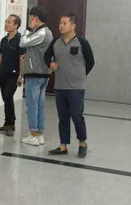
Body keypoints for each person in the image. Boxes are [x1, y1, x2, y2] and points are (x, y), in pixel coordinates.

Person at [45, 13, 95, 158]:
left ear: (73, 26)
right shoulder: (55, 42)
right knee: (63, 118)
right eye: (60, 23)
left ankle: (82, 143)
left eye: (64, 23)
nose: (61, 25)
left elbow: (91, 61)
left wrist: (81, 75)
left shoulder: (82, 42)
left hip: (76, 88)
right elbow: (46, 56)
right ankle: (63, 146)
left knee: (77, 116)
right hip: (60, 87)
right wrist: (50, 64)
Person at [19, 6, 53, 146]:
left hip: (35, 73)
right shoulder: (44, 32)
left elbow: (22, 43)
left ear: (35, 18)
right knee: (39, 105)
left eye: (30, 17)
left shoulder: (41, 32)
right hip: (42, 73)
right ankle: (39, 135)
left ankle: (33, 134)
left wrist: (28, 28)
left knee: (32, 104)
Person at [0, 15, 26, 136]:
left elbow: (22, 59)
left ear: (16, 25)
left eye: (9, 22)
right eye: (6, 21)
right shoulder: (4, 40)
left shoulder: (20, 40)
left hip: (14, 74)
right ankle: (9, 122)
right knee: (5, 98)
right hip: (3, 73)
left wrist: (21, 76)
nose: (6, 24)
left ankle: (10, 123)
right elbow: (1, 56)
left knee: (8, 96)